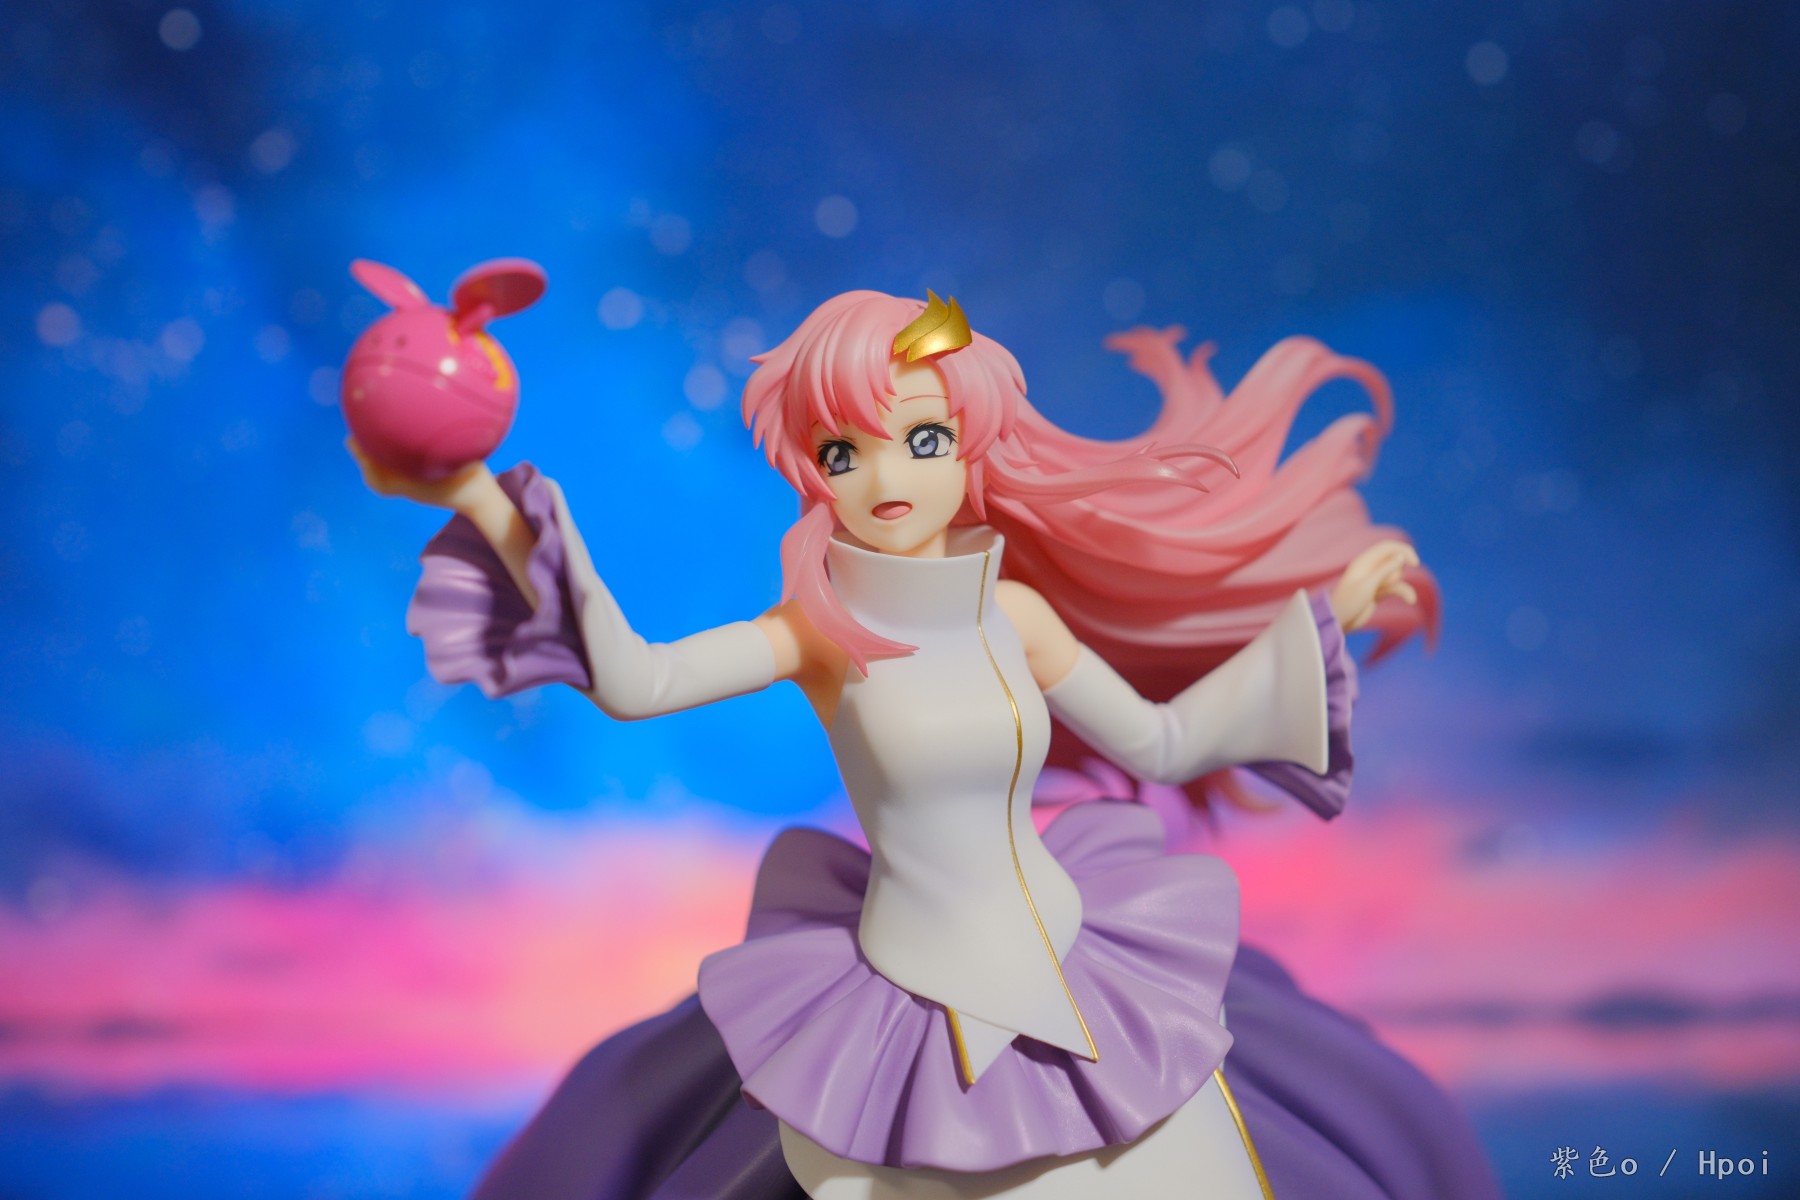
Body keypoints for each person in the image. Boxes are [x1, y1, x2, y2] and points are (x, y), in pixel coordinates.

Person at [352, 289, 1499, 1199]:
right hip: (907, 994)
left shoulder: (1017, 616)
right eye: (844, 453)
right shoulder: (819, 628)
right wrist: (488, 504)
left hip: (1073, 967)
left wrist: (1321, 623)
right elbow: (639, 680)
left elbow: (1161, 742)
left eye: (923, 438)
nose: (887, 478)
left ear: (969, 447)